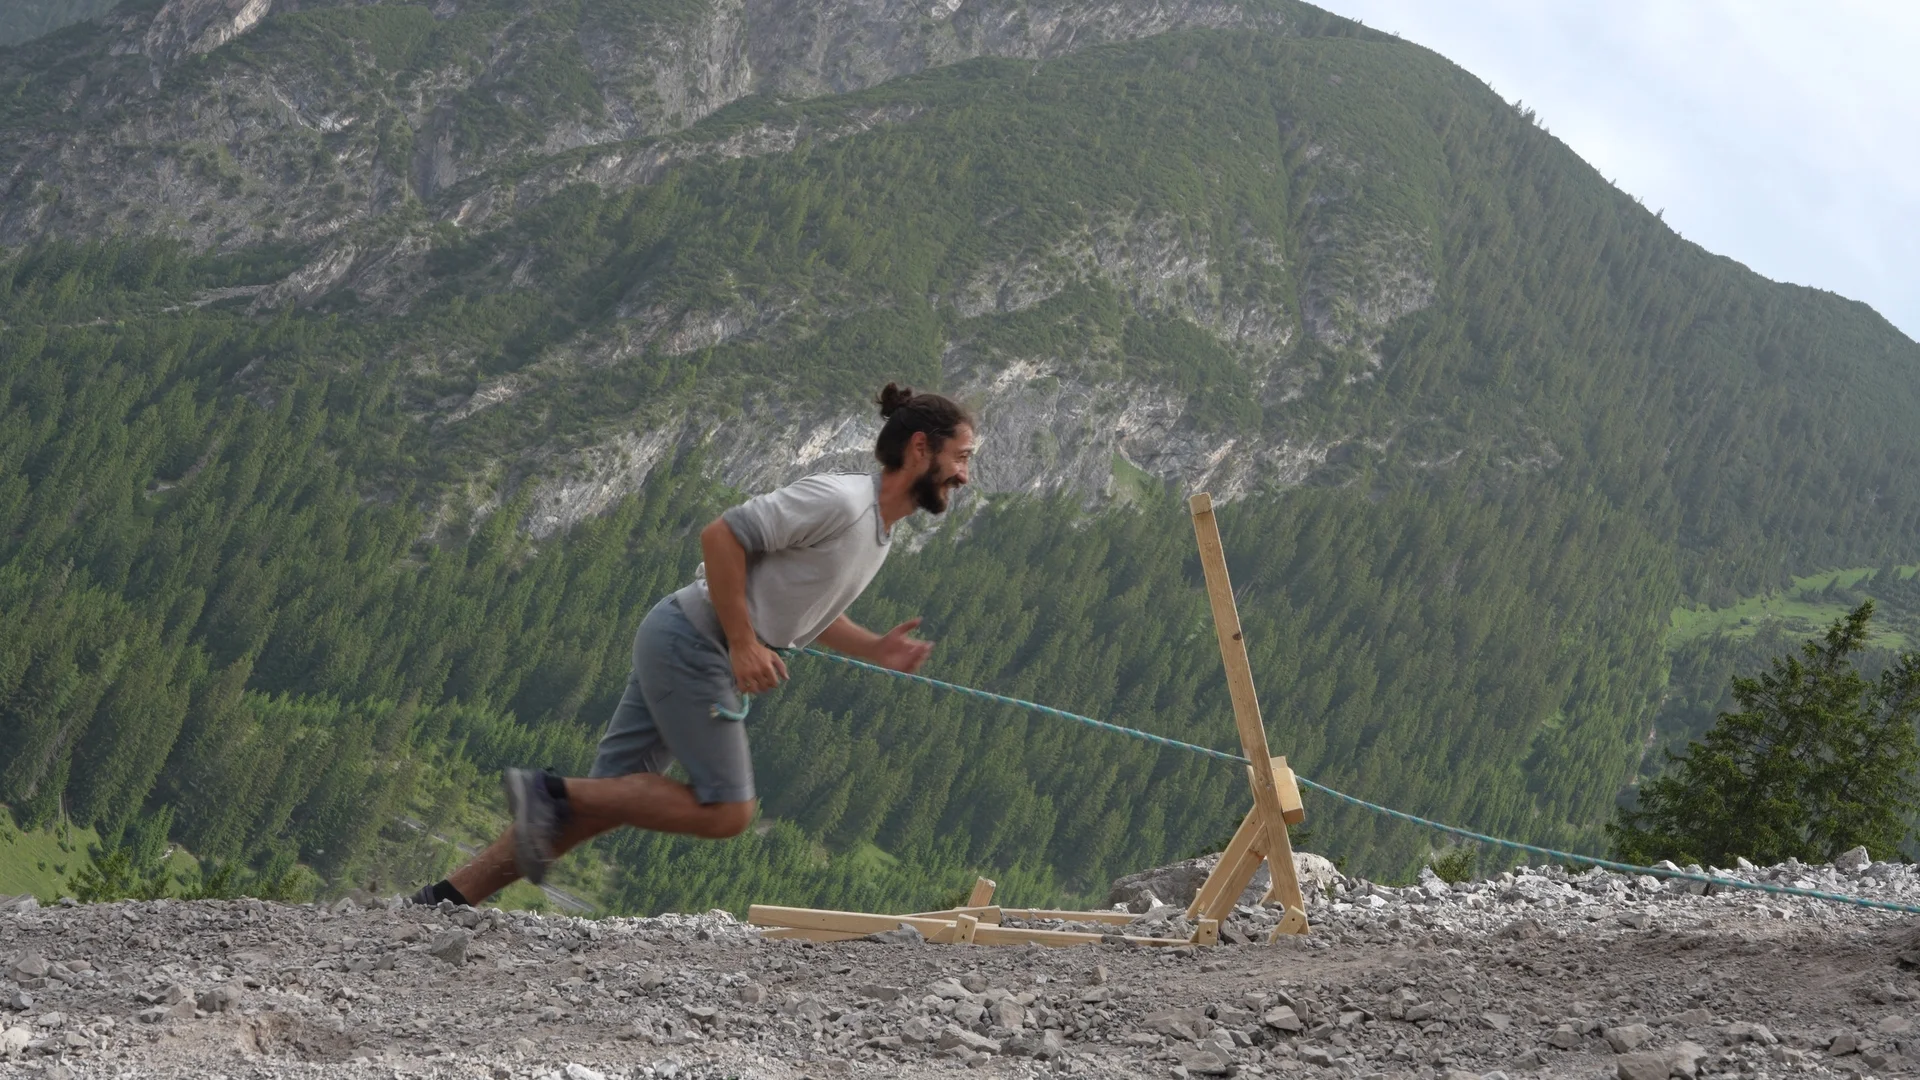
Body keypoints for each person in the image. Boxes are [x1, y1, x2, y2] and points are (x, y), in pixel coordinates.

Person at [409, 383, 975, 907]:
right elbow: (722, 535)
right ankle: (547, 790)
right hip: (694, 642)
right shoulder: (842, 501)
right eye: (962, 457)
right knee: (728, 810)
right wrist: (743, 644)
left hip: (687, 638)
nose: (965, 476)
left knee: (591, 809)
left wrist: (875, 648)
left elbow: (802, 606)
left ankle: (442, 902)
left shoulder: (877, 530)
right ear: (921, 448)